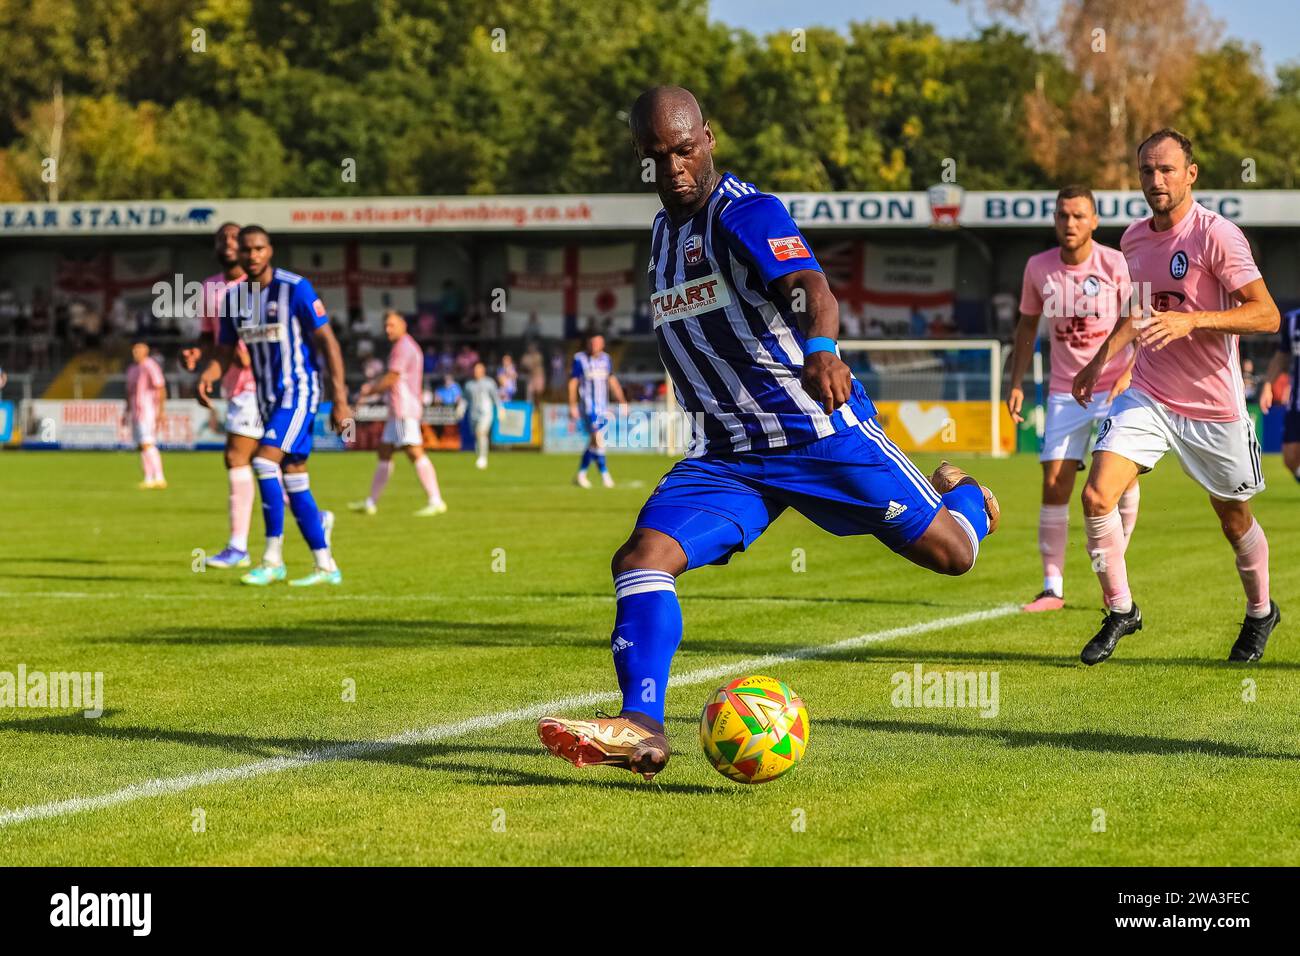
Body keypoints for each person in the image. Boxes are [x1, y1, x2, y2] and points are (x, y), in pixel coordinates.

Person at [537, 86, 999, 780]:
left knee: (953, 554)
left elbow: (814, 287)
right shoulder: (663, 236)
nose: (674, 170)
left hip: (818, 437)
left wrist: (821, 349)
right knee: (641, 558)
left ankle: (966, 495)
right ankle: (641, 722)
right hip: (726, 455)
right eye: (656, 158)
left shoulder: (746, 213)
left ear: (709, 138)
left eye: (684, 150)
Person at [1072, 128, 1280, 664]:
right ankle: (1121, 610)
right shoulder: (1134, 239)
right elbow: (1139, 311)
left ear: (1190, 174)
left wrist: (1195, 322)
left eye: (1167, 169)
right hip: (1150, 393)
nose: (1156, 180)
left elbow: (1266, 313)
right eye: (1147, 171)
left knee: (1233, 519)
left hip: (1215, 407)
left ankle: (1261, 612)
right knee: (1097, 497)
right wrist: (1099, 361)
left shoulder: (1218, 235)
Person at [1006, 185, 1139, 612]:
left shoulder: (1116, 262)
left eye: (1079, 216)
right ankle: (1052, 587)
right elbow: (1027, 329)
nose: (1070, 223)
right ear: (1055, 220)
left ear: (1095, 221)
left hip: (1116, 387)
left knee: (1119, 483)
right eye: (1063, 215)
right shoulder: (1038, 267)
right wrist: (1016, 383)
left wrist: (1131, 374)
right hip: (1064, 392)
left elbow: (1139, 321)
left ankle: (1112, 571)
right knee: (1053, 483)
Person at [200, 225, 351, 587]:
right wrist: (208, 374)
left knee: (264, 462)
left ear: (270, 251)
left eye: (258, 249)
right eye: (246, 250)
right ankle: (326, 565)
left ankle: (271, 559)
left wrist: (340, 399)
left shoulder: (295, 288)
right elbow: (224, 350)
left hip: (299, 392)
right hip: (266, 399)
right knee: (295, 479)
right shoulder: (233, 300)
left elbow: (328, 342)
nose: (252, 255)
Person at [184, 223, 261, 569]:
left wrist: (251, 351)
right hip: (232, 384)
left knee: (235, 457)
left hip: (260, 384)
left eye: (234, 238)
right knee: (266, 463)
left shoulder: (258, 284)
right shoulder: (209, 288)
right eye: (222, 239)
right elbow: (209, 336)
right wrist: (198, 356)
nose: (228, 243)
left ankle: (238, 547)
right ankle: (315, 519)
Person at [349, 310, 447, 517]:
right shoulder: (405, 346)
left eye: (392, 325)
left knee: (413, 451)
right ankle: (371, 502)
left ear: (403, 324)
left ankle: (436, 500)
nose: (387, 329)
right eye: (386, 325)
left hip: (404, 408)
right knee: (384, 452)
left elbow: (392, 377)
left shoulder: (403, 347)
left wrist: (370, 390)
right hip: (398, 410)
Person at [568, 333, 627, 488]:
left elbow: (612, 380)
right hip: (588, 407)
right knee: (598, 439)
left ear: (602, 345)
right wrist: (572, 405)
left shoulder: (606, 359)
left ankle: (581, 474)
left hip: (603, 407)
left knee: (594, 443)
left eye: (597, 343)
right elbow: (573, 382)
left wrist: (622, 401)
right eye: (591, 343)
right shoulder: (579, 359)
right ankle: (605, 475)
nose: (593, 346)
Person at [1258, 308, 1300, 483]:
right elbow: (1282, 356)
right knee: (1290, 458)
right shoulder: (1292, 319)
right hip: (1297, 401)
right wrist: (1268, 386)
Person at [124, 341, 167, 489]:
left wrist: (160, 411)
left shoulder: (150, 366)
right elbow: (129, 392)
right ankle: (148, 478)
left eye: (138, 350)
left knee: (147, 443)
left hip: (148, 410)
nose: (135, 353)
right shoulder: (132, 369)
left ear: (145, 352)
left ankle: (159, 477)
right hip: (136, 411)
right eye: (134, 350)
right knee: (141, 445)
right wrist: (127, 411)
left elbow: (160, 387)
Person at [463, 361, 503, 469]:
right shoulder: (469, 385)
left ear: (483, 370)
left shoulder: (489, 383)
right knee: (477, 435)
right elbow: (465, 399)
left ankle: (483, 458)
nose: (477, 372)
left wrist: (500, 409)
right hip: (473, 413)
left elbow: (496, 398)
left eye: (479, 369)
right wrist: (461, 409)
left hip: (486, 412)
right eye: (475, 369)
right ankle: (479, 456)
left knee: (481, 432)